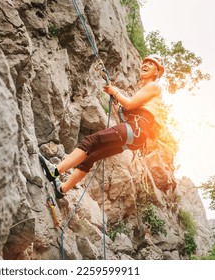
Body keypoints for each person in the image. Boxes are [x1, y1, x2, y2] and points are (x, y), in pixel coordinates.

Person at [39, 54, 165, 199]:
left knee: (90, 141)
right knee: (91, 157)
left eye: (151, 64)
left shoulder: (153, 86)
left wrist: (115, 92)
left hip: (135, 128)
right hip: (136, 136)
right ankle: (61, 189)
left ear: (157, 72)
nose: (146, 65)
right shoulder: (146, 91)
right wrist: (116, 100)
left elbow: (129, 104)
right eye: (145, 62)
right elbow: (126, 109)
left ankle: (55, 171)